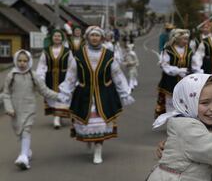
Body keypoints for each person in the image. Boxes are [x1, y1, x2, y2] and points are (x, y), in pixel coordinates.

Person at [59, 26, 134, 164]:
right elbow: (71, 75)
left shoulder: (108, 55)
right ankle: (89, 139)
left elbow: (117, 75)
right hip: (84, 94)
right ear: (87, 37)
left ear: (102, 38)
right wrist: (65, 91)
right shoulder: (79, 55)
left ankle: (98, 150)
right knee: (86, 124)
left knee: (100, 123)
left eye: (97, 35)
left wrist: (124, 93)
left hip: (103, 95)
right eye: (92, 35)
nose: (94, 38)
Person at [3, 50, 60, 170]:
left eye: (25, 61)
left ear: (29, 62)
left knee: (26, 130)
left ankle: (23, 157)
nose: (22, 63)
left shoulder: (33, 75)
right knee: (18, 131)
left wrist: (59, 96)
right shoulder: (11, 75)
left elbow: (44, 90)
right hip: (15, 109)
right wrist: (9, 108)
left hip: (29, 108)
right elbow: (6, 94)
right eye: (19, 60)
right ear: (15, 61)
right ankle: (27, 151)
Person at [155, 29, 200, 118]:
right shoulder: (168, 49)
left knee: (185, 100)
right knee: (170, 101)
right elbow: (165, 65)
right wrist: (178, 71)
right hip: (171, 79)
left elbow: (195, 65)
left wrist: (199, 74)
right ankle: (171, 121)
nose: (186, 41)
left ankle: (183, 120)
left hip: (186, 79)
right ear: (177, 39)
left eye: (187, 39)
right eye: (184, 39)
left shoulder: (190, 50)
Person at [36, 29, 73, 129]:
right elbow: (42, 64)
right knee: (52, 96)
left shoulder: (67, 51)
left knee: (62, 95)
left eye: (59, 36)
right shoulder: (46, 51)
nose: (57, 38)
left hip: (63, 77)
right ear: (52, 38)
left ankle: (57, 117)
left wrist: (71, 78)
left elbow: (71, 65)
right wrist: (41, 77)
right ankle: (57, 116)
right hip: (50, 77)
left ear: (62, 38)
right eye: (55, 36)